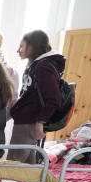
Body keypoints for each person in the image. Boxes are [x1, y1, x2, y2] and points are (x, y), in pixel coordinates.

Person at [9, 30, 66, 163]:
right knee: (28, 166)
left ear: (32, 47)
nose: (18, 50)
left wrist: (40, 122)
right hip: (27, 121)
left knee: (11, 166)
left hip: (28, 123)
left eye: (22, 46)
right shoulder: (37, 66)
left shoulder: (43, 67)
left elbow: (53, 99)